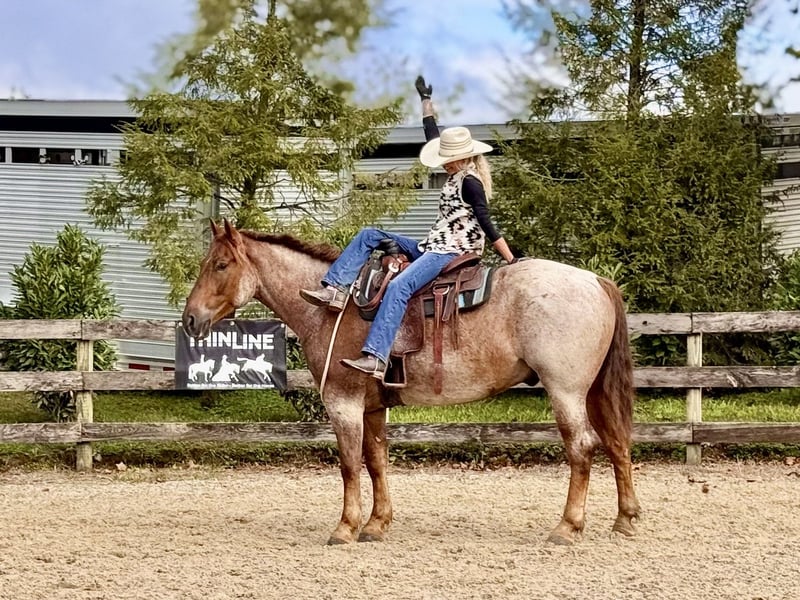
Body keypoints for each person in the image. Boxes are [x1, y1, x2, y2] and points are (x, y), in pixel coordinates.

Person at [300, 75, 516, 380]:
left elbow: (486, 222)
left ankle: (377, 356)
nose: (444, 162)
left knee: (400, 287)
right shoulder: (456, 175)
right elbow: (432, 136)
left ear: (465, 157)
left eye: (450, 158)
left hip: (449, 251)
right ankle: (335, 289)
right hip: (433, 245)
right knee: (369, 235)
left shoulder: (470, 182)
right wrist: (425, 100)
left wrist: (510, 258)